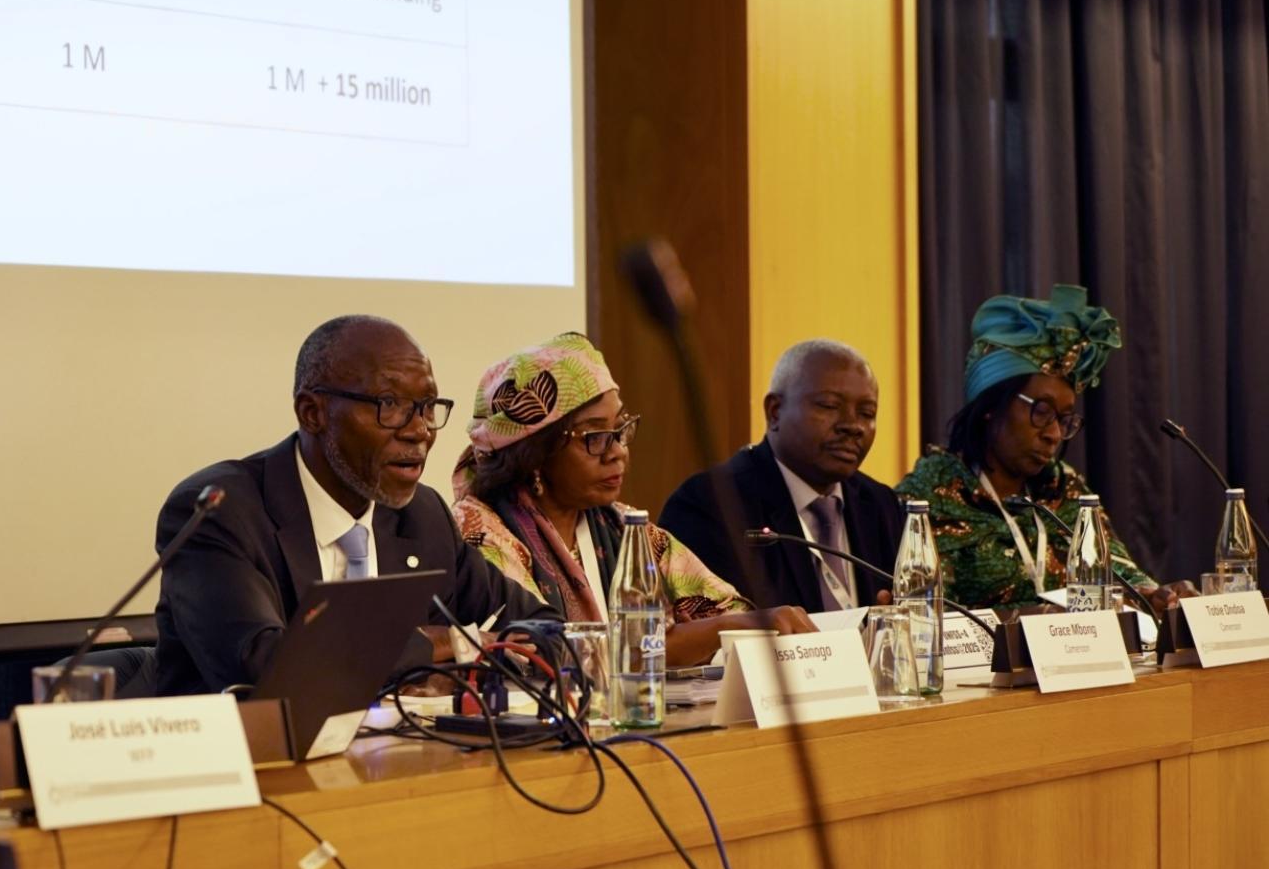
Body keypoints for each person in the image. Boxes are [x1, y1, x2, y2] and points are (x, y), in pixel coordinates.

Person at [149, 315, 558, 697]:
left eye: (427, 407)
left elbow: (547, 628)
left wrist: (463, 671)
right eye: (390, 404)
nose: (419, 431)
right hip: (244, 768)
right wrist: (434, 645)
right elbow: (265, 666)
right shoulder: (220, 513)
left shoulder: (424, 517)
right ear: (313, 413)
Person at [451, 333, 814, 668]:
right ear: (534, 452)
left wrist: (742, 625)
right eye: (595, 437)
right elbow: (550, 651)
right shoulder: (480, 529)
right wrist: (710, 633)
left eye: (621, 429)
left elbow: (724, 610)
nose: (618, 452)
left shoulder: (622, 525)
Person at [895, 284, 1193, 611]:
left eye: (1064, 419)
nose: (1053, 433)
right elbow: (928, 615)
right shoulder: (927, 497)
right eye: (1041, 411)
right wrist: (1036, 620)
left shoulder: (1063, 488)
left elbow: (1118, 571)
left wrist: (1154, 595)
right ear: (992, 406)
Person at [659, 340, 905, 613]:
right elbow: (705, 630)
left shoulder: (881, 504)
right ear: (774, 411)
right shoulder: (712, 504)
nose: (852, 425)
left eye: (867, 413)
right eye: (829, 406)